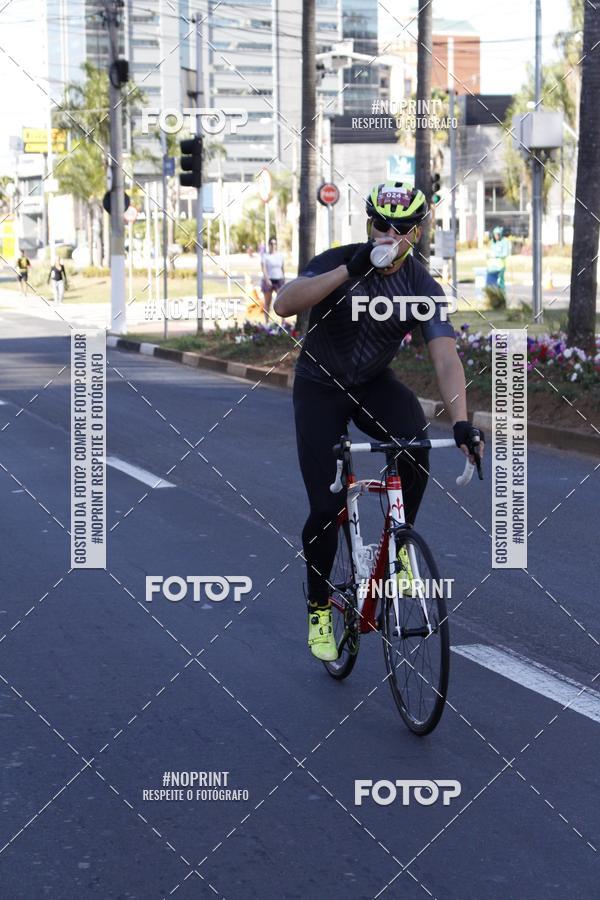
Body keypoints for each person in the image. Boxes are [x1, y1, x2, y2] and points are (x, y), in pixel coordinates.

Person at [274, 181, 485, 662]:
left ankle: (398, 544)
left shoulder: (420, 287)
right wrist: (348, 270)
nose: (387, 234)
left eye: (400, 227)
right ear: (368, 222)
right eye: (378, 223)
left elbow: (446, 359)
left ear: (418, 232)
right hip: (320, 386)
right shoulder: (340, 258)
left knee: (415, 440)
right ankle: (319, 608)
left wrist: (461, 422)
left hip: (372, 383)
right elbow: (286, 303)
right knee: (326, 508)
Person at [260, 237, 285, 323]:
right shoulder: (265, 256)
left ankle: (283, 323)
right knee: (268, 303)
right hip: (269, 280)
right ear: (269, 244)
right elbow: (264, 269)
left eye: (275, 243)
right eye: (271, 243)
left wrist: (283, 278)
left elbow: (282, 268)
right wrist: (267, 279)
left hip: (279, 280)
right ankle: (267, 323)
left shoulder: (280, 256)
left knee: (281, 302)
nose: (273, 245)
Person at [487, 226, 510, 291]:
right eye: (495, 234)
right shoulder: (492, 242)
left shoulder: (505, 241)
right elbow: (491, 251)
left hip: (501, 265)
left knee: (500, 281)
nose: (496, 236)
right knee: (492, 282)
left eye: (498, 234)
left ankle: (502, 294)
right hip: (492, 266)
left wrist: (496, 255)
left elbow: (505, 254)